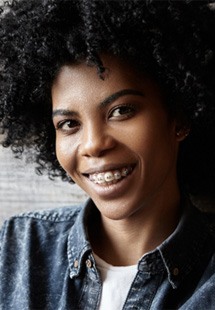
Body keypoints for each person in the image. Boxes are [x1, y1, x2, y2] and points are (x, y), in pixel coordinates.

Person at [1, 0, 215, 309]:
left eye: (121, 111)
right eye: (69, 123)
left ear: (179, 117)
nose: (92, 144)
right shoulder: (17, 247)